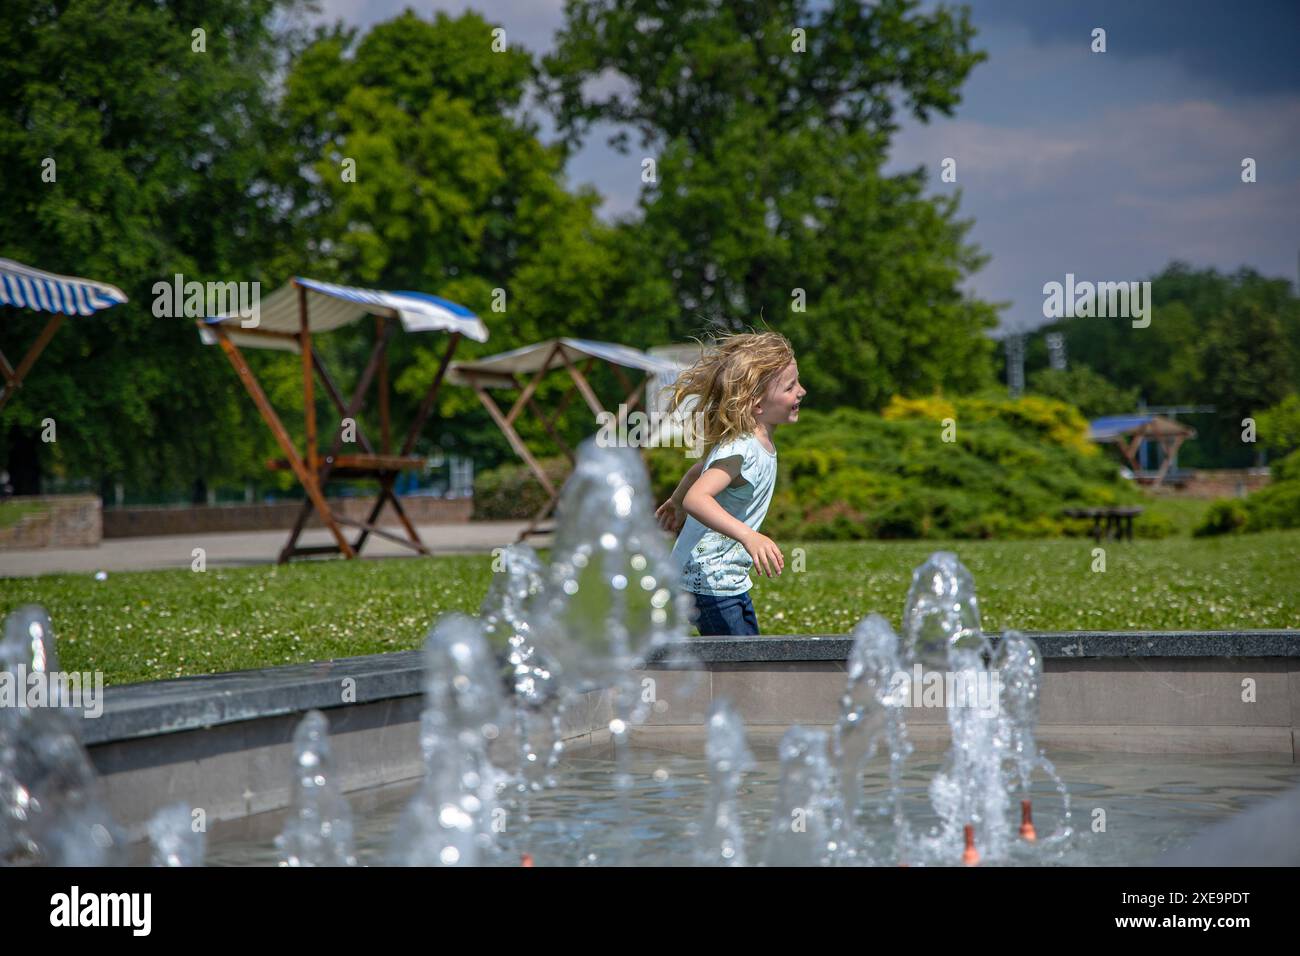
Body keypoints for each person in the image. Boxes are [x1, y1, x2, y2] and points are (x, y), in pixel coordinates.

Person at [654, 330, 805, 636]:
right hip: (708, 582)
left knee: (748, 657)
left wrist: (675, 501)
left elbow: (700, 469)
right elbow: (699, 498)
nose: (801, 391)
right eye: (790, 387)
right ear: (757, 405)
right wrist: (749, 537)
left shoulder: (749, 444)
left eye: (797, 382)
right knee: (741, 668)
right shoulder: (743, 448)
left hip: (724, 579)